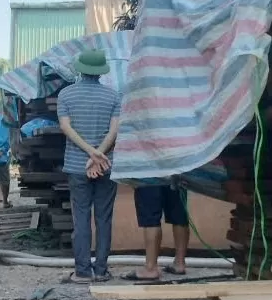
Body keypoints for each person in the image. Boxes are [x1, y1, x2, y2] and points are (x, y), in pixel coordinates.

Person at [57, 50, 121, 284]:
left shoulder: (66, 95)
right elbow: (114, 131)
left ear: (80, 69)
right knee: (104, 218)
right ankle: (102, 270)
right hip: (106, 165)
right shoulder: (113, 96)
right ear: (101, 71)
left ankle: (82, 272)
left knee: (81, 218)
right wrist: (99, 154)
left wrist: (89, 153)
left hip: (76, 166)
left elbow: (66, 127)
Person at [122, 184, 190, 281]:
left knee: (150, 214)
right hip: (176, 170)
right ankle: (180, 263)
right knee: (179, 213)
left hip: (150, 171)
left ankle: (150, 268)